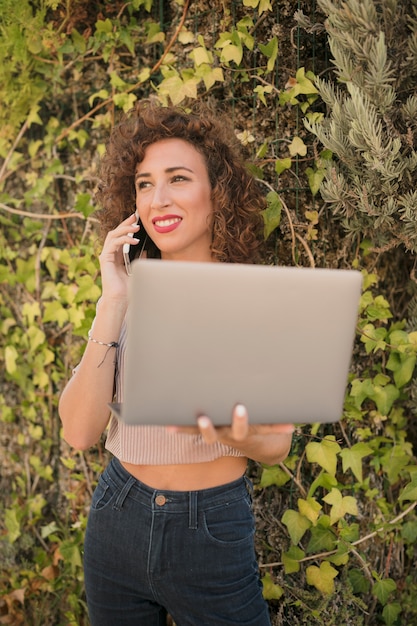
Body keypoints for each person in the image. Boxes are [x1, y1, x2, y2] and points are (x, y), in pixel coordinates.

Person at [59, 99, 294, 626]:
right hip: (116, 516)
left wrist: (237, 436)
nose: (157, 198)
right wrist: (112, 302)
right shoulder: (126, 291)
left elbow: (277, 444)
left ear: (219, 193)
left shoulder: (258, 301)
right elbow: (78, 431)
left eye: (178, 178)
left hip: (209, 527)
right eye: (144, 183)